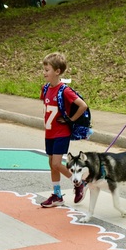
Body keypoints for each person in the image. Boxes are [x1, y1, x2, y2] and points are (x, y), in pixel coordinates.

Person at [39, 52, 89, 208]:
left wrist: (71, 119)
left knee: (57, 163)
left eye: (47, 70)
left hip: (62, 133)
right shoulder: (46, 88)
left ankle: (79, 182)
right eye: (44, 69)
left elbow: (83, 105)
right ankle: (57, 194)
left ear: (57, 71)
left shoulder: (64, 90)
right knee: (51, 163)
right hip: (50, 132)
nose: (44, 73)